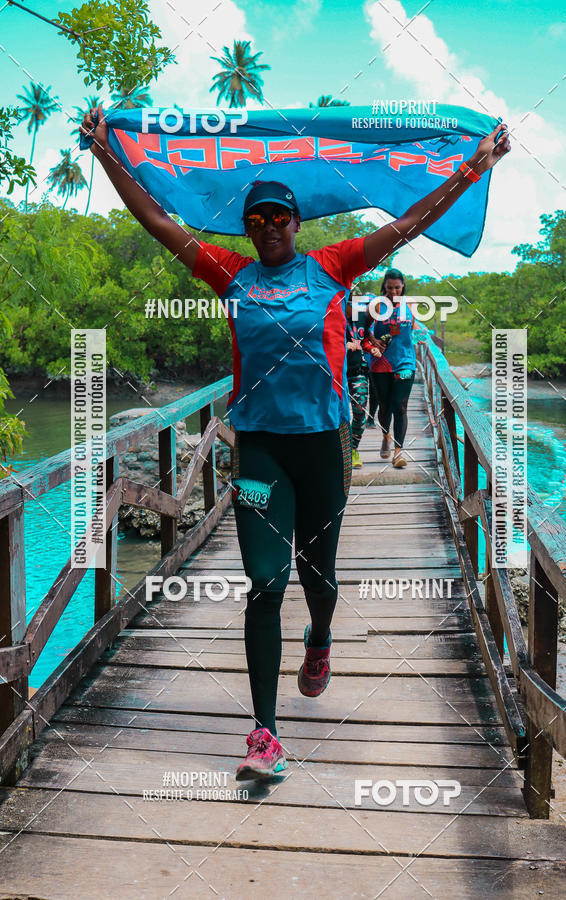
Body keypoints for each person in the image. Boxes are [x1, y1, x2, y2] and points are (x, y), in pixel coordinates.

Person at [79, 106, 510, 781]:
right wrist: (107, 154)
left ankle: (321, 637)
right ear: (246, 230)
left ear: (297, 223)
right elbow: (159, 224)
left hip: (325, 449)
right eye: (257, 221)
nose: (270, 229)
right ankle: (264, 734)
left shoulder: (334, 266)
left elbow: (407, 223)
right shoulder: (232, 277)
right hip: (258, 453)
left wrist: (470, 169)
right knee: (264, 581)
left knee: (319, 577)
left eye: (280, 218)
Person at [366, 269, 426, 468]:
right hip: (380, 362)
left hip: (405, 361)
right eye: (390, 287)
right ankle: (386, 436)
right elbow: (363, 329)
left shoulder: (410, 304)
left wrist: (420, 337)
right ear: (385, 286)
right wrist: (373, 340)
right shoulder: (376, 305)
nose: (393, 291)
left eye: (397, 287)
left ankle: (399, 453)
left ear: (403, 287)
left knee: (399, 405)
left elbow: (413, 327)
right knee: (384, 405)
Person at [345, 290, 381, 467]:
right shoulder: (331, 316)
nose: (354, 308)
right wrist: (344, 344)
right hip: (334, 373)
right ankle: (337, 451)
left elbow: (364, 338)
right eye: (351, 304)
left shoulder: (361, 316)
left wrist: (370, 348)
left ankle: (353, 449)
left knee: (360, 411)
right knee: (337, 414)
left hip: (358, 369)